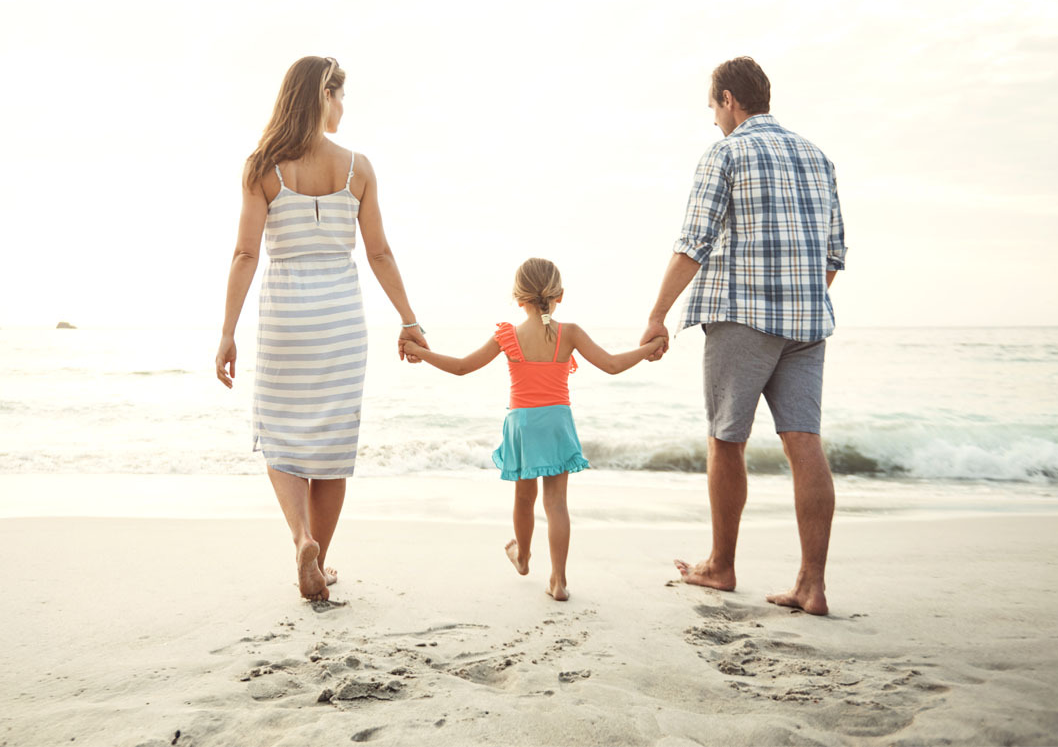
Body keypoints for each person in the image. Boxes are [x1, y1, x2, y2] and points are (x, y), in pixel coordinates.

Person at [215, 56, 427, 601]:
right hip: (339, 319)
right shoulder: (357, 168)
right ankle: (321, 561)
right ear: (323, 95)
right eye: (340, 95)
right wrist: (409, 318)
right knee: (332, 448)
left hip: (286, 314)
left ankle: (301, 539)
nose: (342, 106)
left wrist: (227, 332)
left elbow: (245, 254)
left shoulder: (263, 167)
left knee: (282, 439)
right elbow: (379, 252)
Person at [642, 57, 847, 615]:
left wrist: (658, 316)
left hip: (743, 317)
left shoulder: (727, 153)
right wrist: (797, 298)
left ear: (730, 99)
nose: (713, 119)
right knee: (803, 442)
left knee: (725, 439)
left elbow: (693, 243)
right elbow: (833, 256)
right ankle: (812, 584)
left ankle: (721, 565)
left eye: (713, 107)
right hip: (807, 323)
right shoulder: (817, 156)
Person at [401, 258, 663, 601]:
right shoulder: (569, 332)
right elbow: (612, 365)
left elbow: (463, 367)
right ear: (560, 295)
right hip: (557, 422)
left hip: (522, 424)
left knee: (524, 499)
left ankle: (522, 558)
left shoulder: (508, 335)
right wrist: (650, 348)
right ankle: (558, 580)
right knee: (556, 504)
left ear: (517, 297)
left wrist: (419, 350)